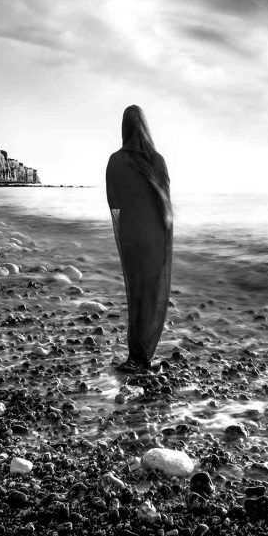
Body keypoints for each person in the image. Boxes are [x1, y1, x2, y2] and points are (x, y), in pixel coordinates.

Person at [105, 105, 173, 372]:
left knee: (136, 293)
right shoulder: (157, 160)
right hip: (155, 234)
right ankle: (144, 355)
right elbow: (166, 203)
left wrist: (124, 228)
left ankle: (135, 357)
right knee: (153, 292)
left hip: (132, 234)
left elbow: (114, 200)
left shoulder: (116, 160)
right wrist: (165, 238)